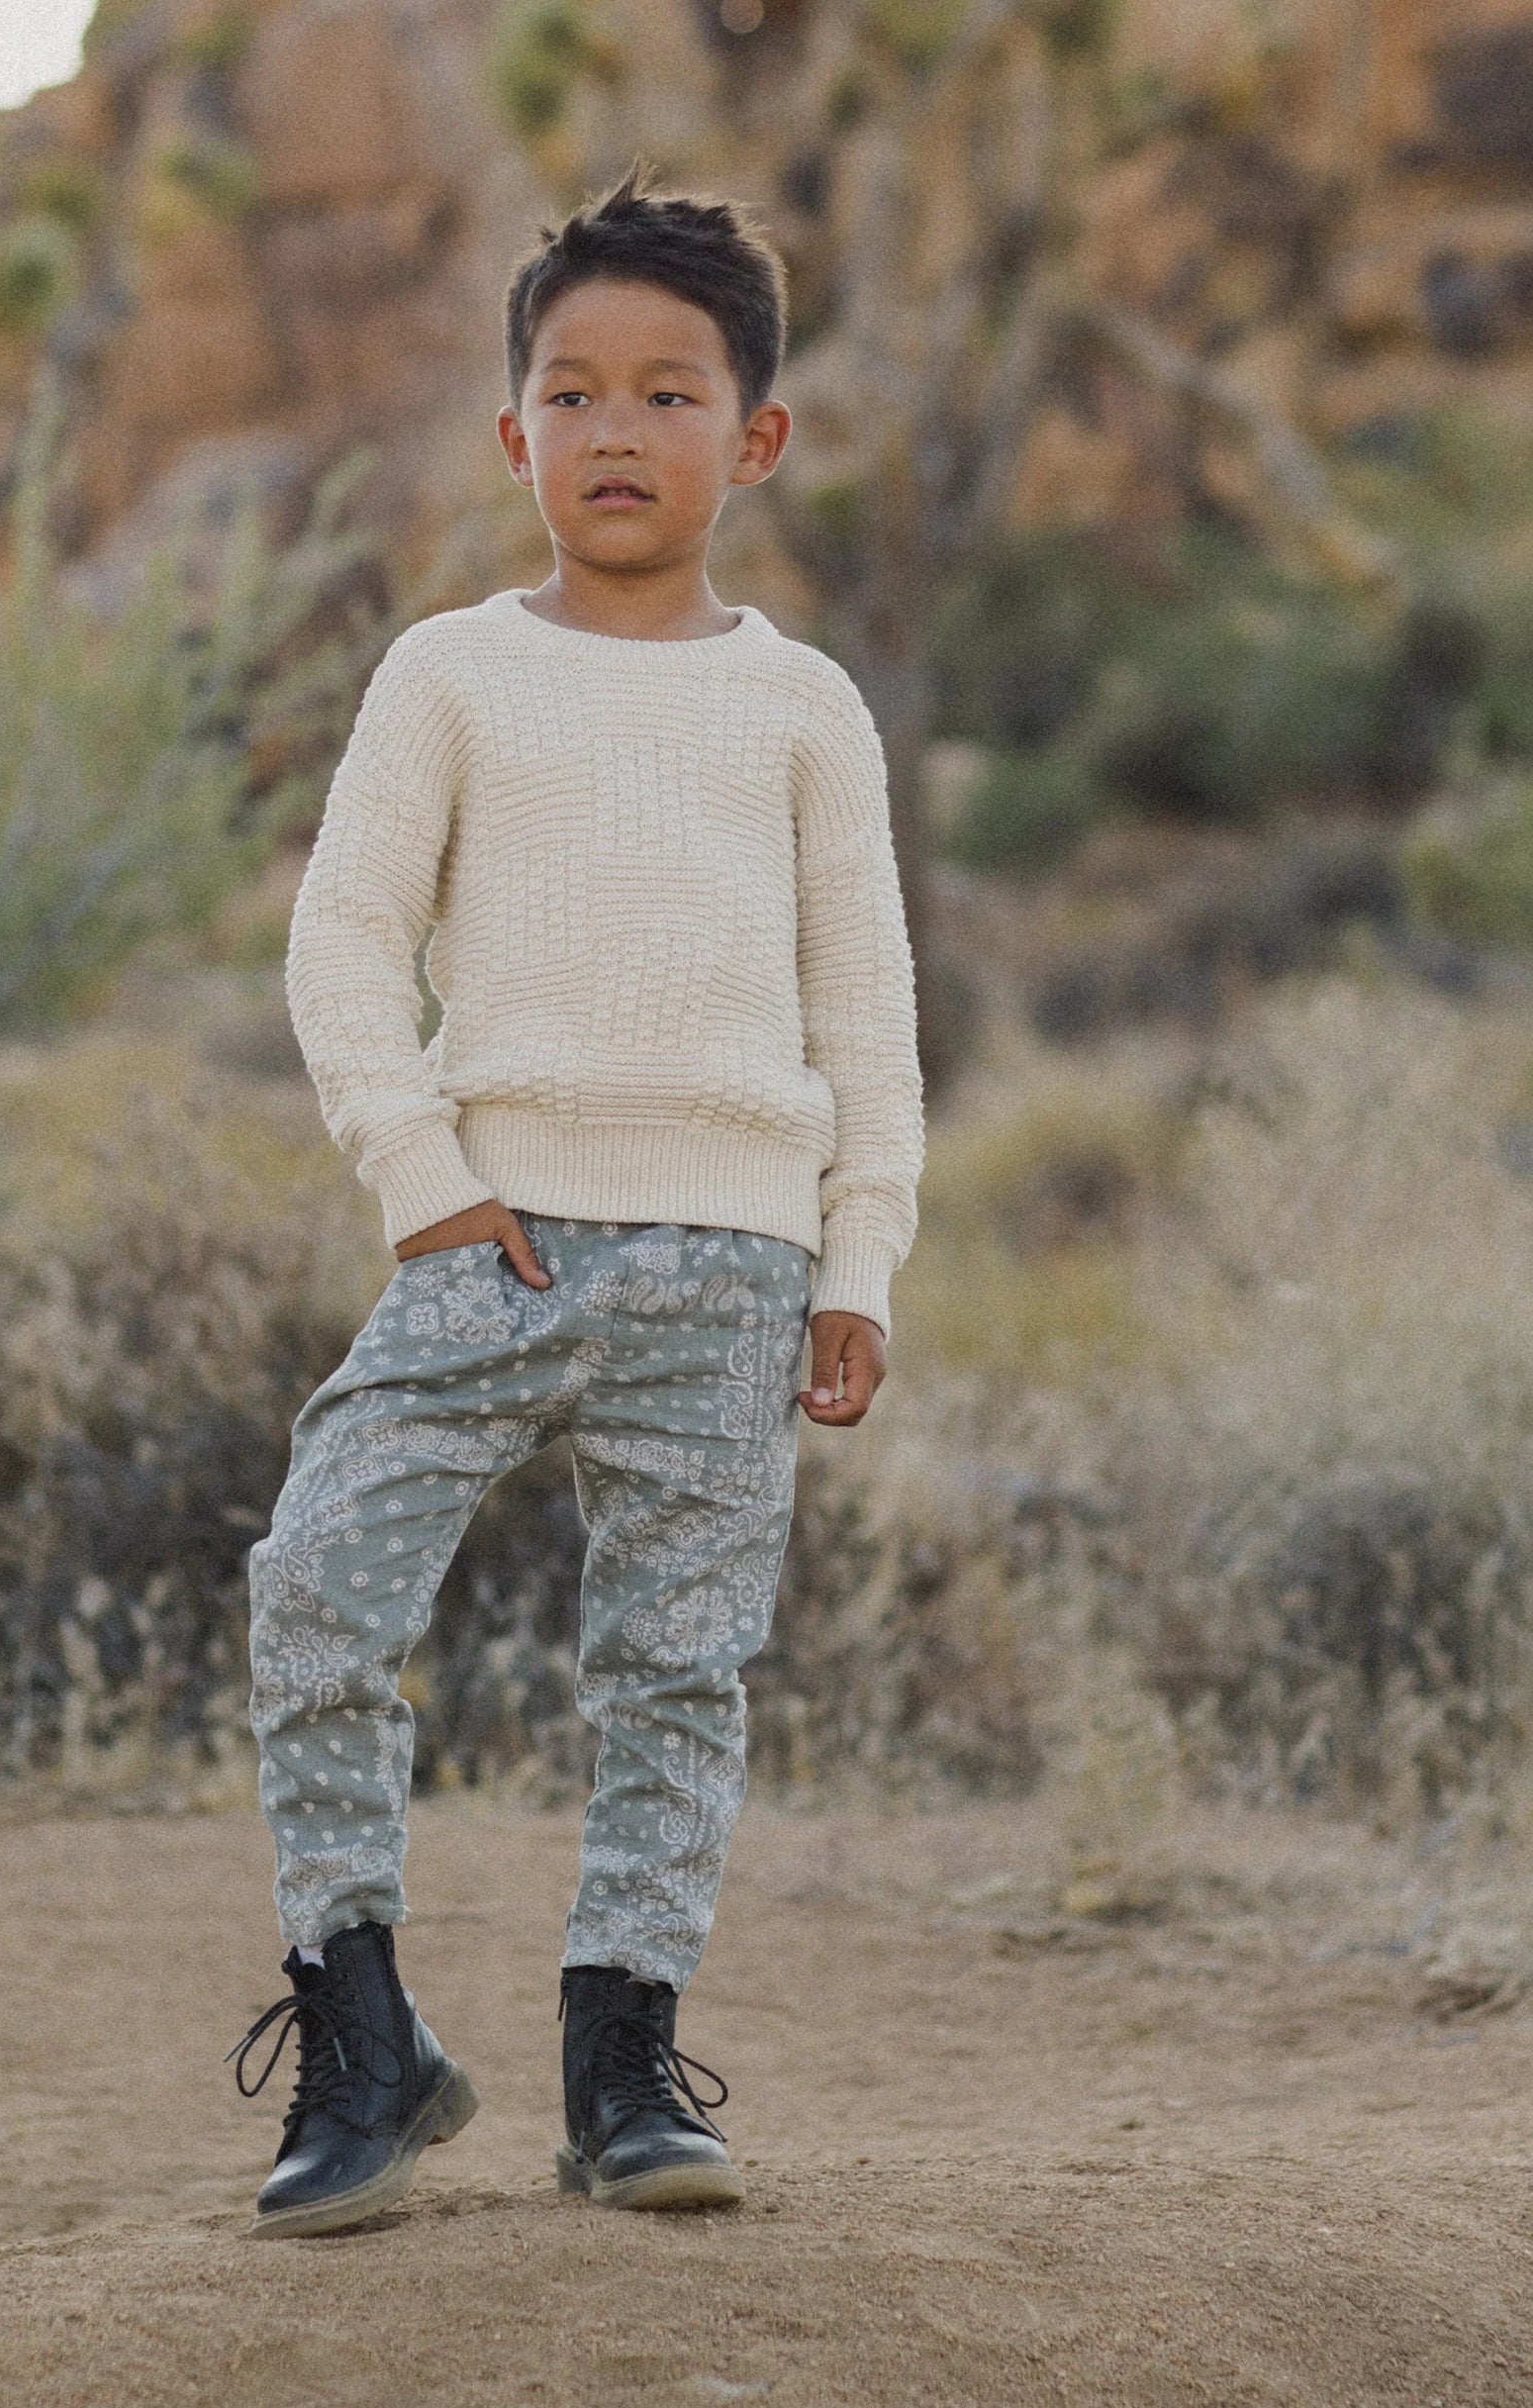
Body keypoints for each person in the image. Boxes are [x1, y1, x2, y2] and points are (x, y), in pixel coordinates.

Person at [231, 158, 923, 2241]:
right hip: (493, 1238)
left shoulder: (801, 705)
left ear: (754, 436)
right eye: (574, 392)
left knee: (675, 1669)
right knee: (316, 1582)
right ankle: (362, 2036)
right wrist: (422, 1179)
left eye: (669, 393)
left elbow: (866, 1009)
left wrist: (859, 1254)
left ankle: (623, 2062)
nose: (618, 430)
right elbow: (345, 939)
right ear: (511, 431)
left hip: (736, 1258)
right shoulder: (448, 672)